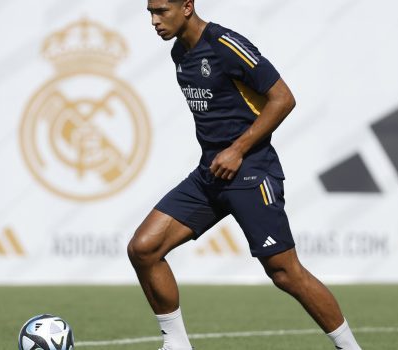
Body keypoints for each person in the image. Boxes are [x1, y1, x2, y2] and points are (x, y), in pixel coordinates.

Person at [128, 1, 362, 349]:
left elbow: (283, 98)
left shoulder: (225, 45)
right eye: (149, 11)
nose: (154, 20)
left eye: (161, 10)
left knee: (284, 272)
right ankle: (176, 345)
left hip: (251, 172)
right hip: (210, 173)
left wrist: (237, 149)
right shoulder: (180, 52)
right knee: (144, 248)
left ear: (187, 7)